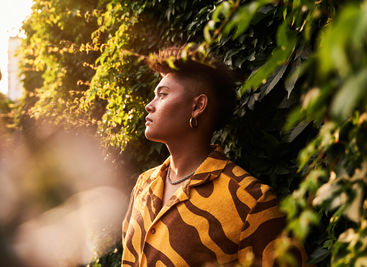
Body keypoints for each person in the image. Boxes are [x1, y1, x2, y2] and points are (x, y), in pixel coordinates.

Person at [121, 46, 307, 266]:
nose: (149, 106)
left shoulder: (251, 201)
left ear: (198, 106)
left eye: (162, 95)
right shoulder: (143, 185)